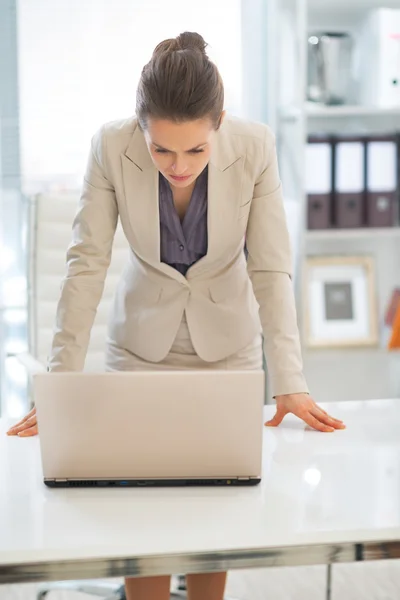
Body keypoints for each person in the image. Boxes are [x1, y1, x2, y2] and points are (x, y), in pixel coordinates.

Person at [7, 31, 345, 600]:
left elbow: (270, 269)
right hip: (140, 350)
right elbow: (85, 264)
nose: (178, 166)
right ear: (141, 127)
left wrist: (290, 380)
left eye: (196, 150)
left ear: (218, 121)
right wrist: (59, 383)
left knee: (221, 507)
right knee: (139, 510)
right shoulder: (110, 147)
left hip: (229, 353)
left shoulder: (256, 147)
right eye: (161, 149)